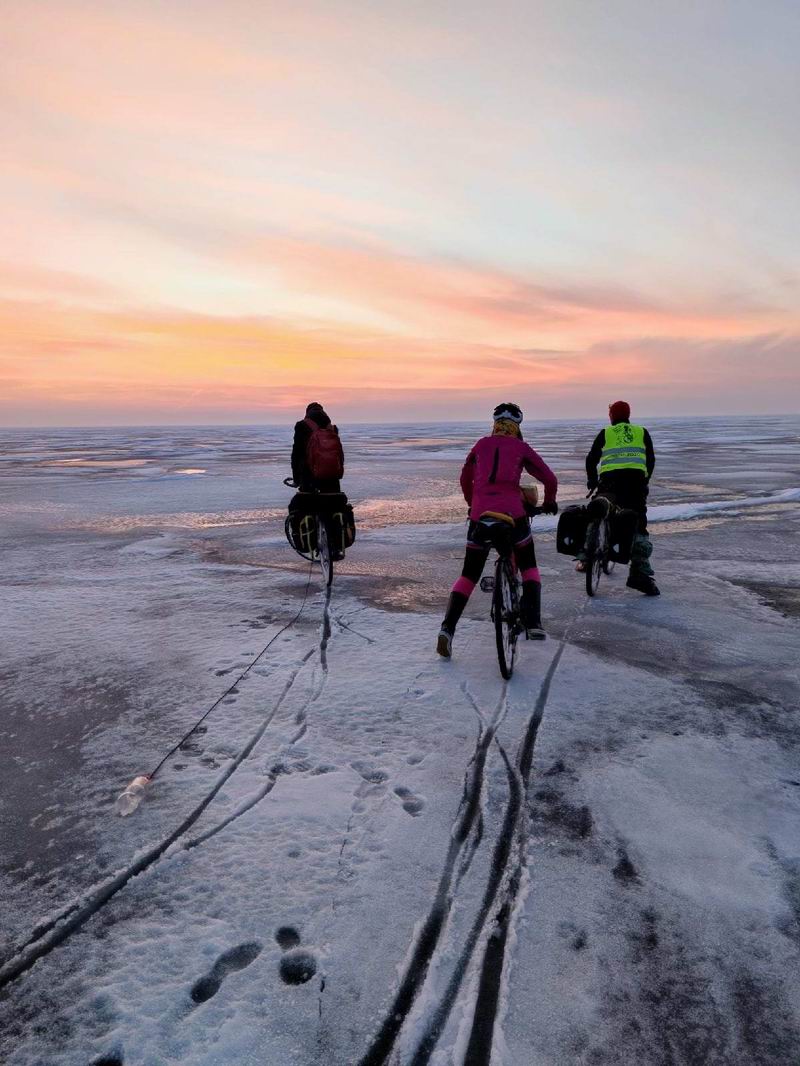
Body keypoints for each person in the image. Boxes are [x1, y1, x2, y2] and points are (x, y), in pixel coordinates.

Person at [437, 403, 558, 658]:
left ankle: (447, 630)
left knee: (469, 576)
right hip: (513, 516)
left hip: (480, 517)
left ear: (495, 424)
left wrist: (473, 505)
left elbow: (464, 478)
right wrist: (549, 502)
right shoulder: (520, 447)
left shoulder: (481, 445)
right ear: (517, 426)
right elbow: (549, 479)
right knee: (529, 568)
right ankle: (533, 623)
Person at [581, 400, 659, 596]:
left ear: (611, 416)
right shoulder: (642, 432)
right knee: (638, 524)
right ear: (628, 414)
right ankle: (639, 574)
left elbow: (591, 459)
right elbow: (650, 460)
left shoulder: (606, 433)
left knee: (599, 509)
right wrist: (645, 479)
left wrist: (592, 480)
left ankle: (586, 555)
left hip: (610, 483)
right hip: (635, 485)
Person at [291, 402, 343, 492]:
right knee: (335, 502)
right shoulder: (332, 429)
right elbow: (340, 455)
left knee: (300, 505)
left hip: (308, 477)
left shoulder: (302, 426)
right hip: (331, 477)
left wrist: (296, 479)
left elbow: (296, 454)